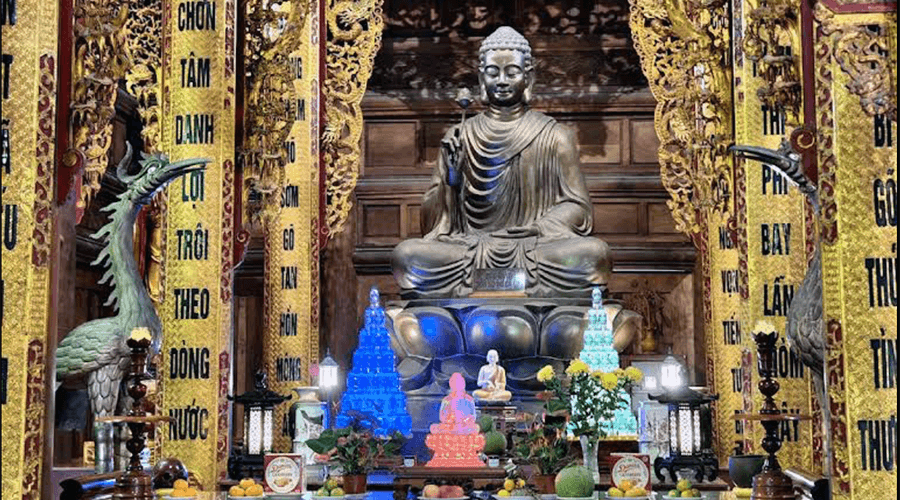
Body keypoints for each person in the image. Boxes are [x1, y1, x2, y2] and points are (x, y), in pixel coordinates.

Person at [391, 26, 611, 299]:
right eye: (494, 73)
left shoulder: (555, 135)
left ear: (529, 78)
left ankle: (483, 293)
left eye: (512, 72)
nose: (503, 81)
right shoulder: (460, 136)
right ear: (481, 78)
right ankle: (523, 294)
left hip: (533, 247)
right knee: (407, 257)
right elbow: (433, 223)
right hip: (469, 249)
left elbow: (578, 208)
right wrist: (451, 179)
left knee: (594, 255)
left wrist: (538, 227)